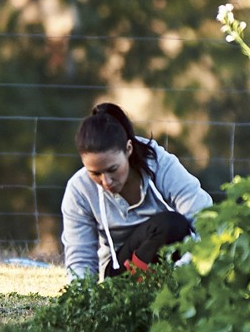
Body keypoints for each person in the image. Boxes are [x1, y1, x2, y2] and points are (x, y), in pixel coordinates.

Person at [61, 102, 213, 281]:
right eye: (95, 173)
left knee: (173, 225)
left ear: (128, 149)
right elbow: (80, 260)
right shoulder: (78, 190)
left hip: (171, 260)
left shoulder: (160, 164)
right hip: (120, 272)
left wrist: (187, 268)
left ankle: (161, 287)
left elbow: (204, 218)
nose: (106, 181)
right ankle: (136, 290)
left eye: (113, 169)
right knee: (169, 225)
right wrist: (82, 297)